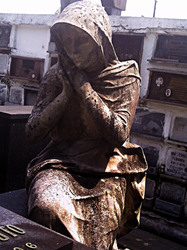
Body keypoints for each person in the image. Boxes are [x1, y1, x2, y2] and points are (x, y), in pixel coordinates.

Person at [25, 1, 147, 249]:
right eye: (65, 40)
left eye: (80, 40)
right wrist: (65, 96)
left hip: (108, 169)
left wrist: (84, 89)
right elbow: (32, 132)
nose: (72, 49)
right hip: (59, 165)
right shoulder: (55, 75)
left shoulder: (124, 76)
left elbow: (118, 134)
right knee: (47, 207)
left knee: (99, 227)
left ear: (100, 40)